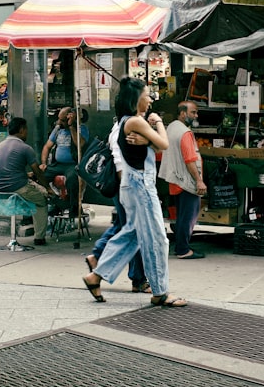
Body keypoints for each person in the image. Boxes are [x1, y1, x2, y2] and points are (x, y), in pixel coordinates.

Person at [83, 77, 186, 307]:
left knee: (131, 235)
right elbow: (165, 144)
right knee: (157, 238)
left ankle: (96, 276)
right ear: (135, 98)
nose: (150, 99)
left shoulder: (127, 122)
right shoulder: (135, 122)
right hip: (141, 185)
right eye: (147, 95)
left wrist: (147, 141)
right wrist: (158, 122)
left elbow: (157, 145)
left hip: (131, 186)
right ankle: (160, 292)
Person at [160, 101, 206, 260]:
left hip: (175, 179)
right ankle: (183, 250)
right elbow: (190, 159)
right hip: (186, 180)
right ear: (183, 113)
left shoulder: (171, 127)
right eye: (193, 112)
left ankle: (181, 246)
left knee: (181, 215)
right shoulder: (185, 133)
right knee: (188, 217)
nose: (196, 115)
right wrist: (199, 181)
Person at [0, 117, 49, 246]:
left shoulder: (0, 146)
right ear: (22, 130)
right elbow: (38, 172)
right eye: (26, 130)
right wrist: (48, 188)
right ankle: (39, 237)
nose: (27, 133)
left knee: (34, 193)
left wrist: (26, 175)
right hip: (18, 187)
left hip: (1, 188)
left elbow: (7, 170)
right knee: (42, 199)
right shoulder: (25, 148)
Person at [39, 107, 88, 203]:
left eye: (62, 120)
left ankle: (72, 207)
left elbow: (80, 144)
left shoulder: (81, 129)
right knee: (40, 175)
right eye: (59, 119)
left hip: (72, 164)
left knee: (72, 180)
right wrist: (44, 163)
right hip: (57, 164)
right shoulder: (57, 130)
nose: (58, 122)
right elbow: (47, 147)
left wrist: (71, 127)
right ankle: (53, 201)